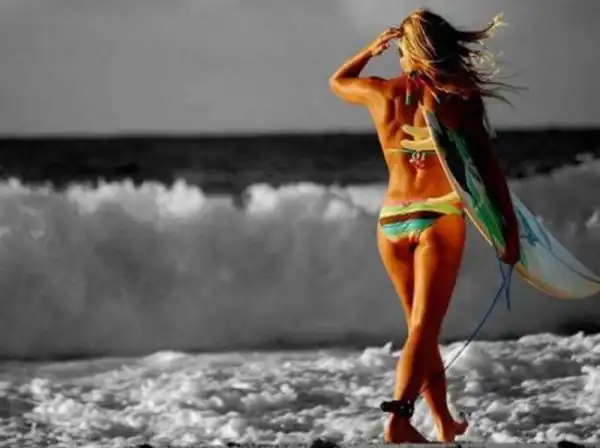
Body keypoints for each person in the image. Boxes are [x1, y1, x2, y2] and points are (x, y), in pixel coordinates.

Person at [328, 8, 521, 444]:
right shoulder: (460, 97)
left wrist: (369, 50)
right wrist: (507, 227)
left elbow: (337, 81)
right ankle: (398, 419)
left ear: (407, 50)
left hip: (391, 222)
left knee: (420, 330)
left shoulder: (381, 92)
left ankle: (444, 424)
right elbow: (487, 168)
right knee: (423, 329)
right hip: (438, 216)